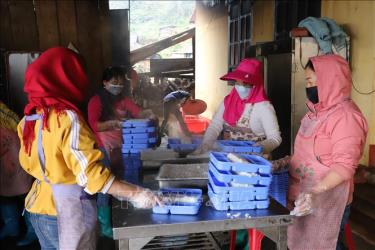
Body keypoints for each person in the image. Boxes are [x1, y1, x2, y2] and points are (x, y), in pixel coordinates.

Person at [17, 47, 161, 250]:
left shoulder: (29, 118)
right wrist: (137, 193)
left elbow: (27, 164)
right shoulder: (67, 118)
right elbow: (93, 177)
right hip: (65, 212)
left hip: (37, 208)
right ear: (66, 78)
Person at [273, 54, 367, 250]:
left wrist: (315, 192)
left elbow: (344, 166)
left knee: (324, 244)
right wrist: (282, 163)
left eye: (310, 81)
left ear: (329, 82)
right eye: (307, 82)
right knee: (301, 243)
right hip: (302, 196)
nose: (308, 88)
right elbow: (305, 155)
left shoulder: (346, 117)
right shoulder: (315, 114)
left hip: (326, 199)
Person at [196, 58, 282, 155]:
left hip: (253, 162)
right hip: (226, 159)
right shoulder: (228, 101)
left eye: (245, 83)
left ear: (255, 85)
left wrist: (261, 147)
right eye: (237, 82)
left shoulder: (263, 107)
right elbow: (215, 125)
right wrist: (206, 144)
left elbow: (275, 138)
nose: (240, 87)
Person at [0, 101, 37, 246]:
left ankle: (33, 230)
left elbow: (16, 124)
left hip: (15, 155)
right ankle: (12, 227)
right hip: (5, 162)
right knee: (5, 196)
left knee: (26, 195)